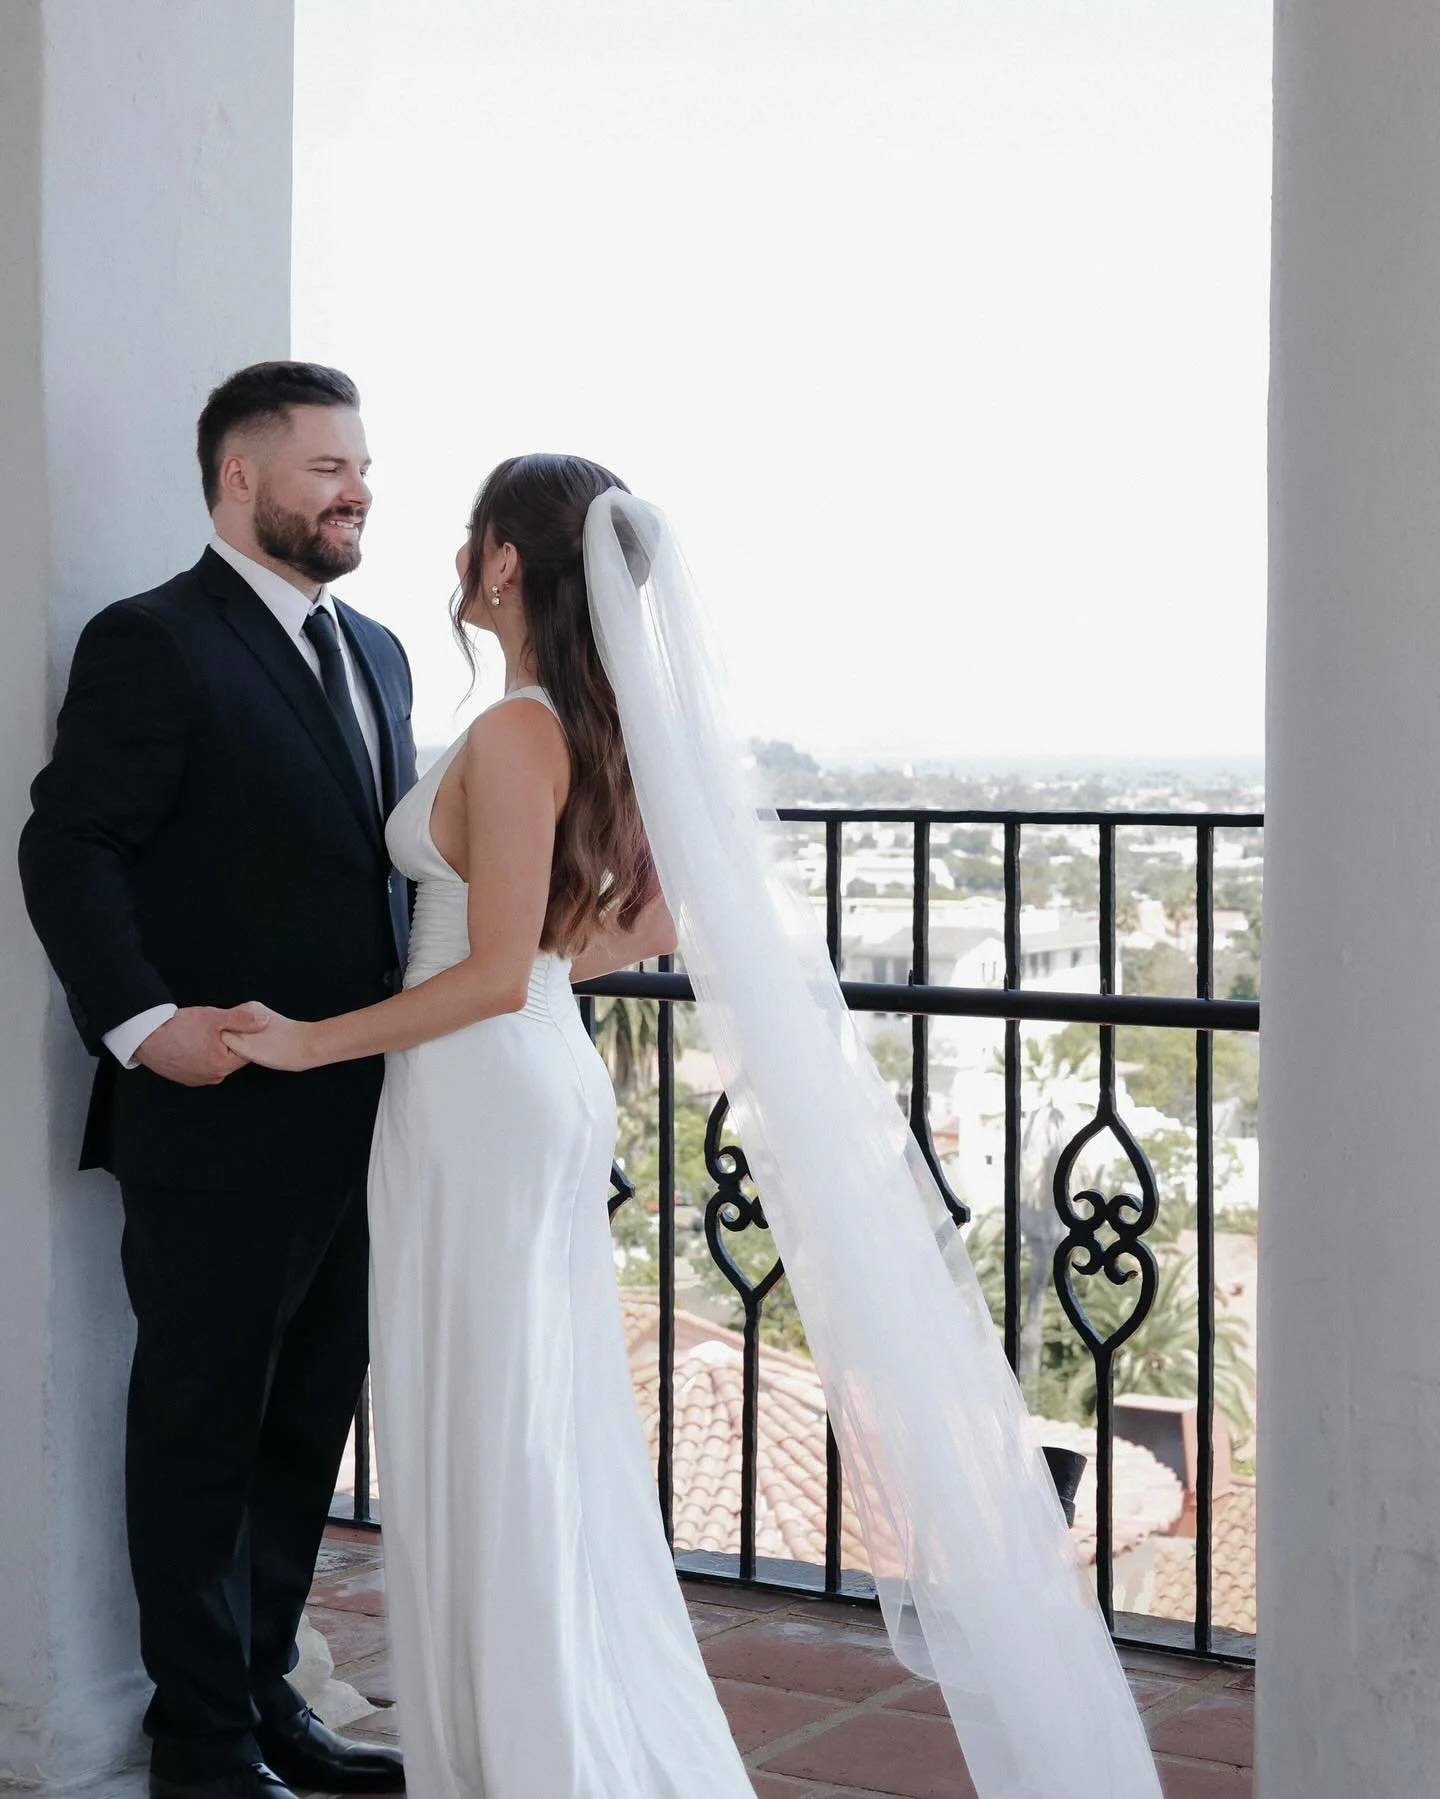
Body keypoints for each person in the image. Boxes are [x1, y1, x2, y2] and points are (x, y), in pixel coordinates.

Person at [222, 453, 1164, 1799]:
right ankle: (542, 1736)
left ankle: (530, 1754)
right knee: (530, 1418)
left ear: (500, 563)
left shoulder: (515, 730)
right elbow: (628, 932)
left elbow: (488, 972)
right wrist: (530, 963)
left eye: (471, 531)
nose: (455, 553)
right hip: (515, 1071)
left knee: (495, 1423)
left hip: (481, 1085)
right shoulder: (574, 729)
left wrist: (309, 1039)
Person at [18, 362, 414, 1799]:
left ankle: (266, 1697)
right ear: (240, 477)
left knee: (306, 1423)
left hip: (363, 1115)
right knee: (200, 1428)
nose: (356, 488)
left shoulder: (375, 652)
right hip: (215, 1114)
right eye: (326, 466)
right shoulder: (154, 641)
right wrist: (141, 1021)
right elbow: (69, 847)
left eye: (361, 465)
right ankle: (200, 1747)